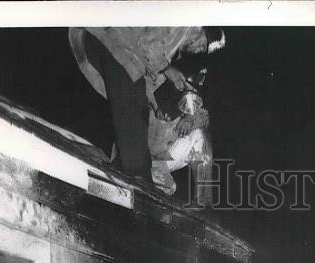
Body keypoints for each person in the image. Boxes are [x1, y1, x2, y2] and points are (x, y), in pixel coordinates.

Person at [68, 26, 224, 198]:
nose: (198, 51)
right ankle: (135, 175)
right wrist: (167, 70)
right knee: (132, 100)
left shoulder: (178, 96)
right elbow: (148, 48)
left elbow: (146, 82)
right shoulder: (183, 25)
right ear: (201, 33)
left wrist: (172, 112)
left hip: (122, 53)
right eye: (202, 46)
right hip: (114, 41)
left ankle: (201, 200)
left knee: (136, 97)